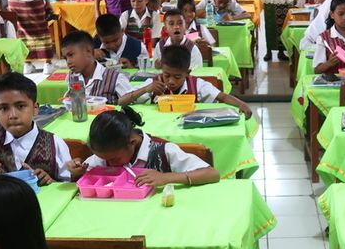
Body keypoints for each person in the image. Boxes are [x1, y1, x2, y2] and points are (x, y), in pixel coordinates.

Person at [0, 73, 73, 185]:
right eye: (4, 108)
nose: (13, 115)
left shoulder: (54, 143)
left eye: (21, 106)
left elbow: (69, 186)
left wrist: (51, 181)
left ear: (35, 108)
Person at [68, 108, 220, 187]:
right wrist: (77, 173)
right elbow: (83, 181)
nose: (109, 163)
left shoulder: (163, 151)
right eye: (103, 159)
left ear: (132, 142)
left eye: (114, 159)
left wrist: (166, 178)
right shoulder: (105, 154)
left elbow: (212, 174)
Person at [121, 45, 253, 119]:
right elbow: (121, 101)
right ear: (161, 70)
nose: (171, 81)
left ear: (187, 73)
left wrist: (242, 105)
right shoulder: (155, 83)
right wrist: (146, 89)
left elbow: (222, 96)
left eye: (177, 77)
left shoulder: (196, 85)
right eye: (167, 75)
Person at [60, 31, 133, 103]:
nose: (68, 61)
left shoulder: (115, 78)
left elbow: (133, 102)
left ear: (88, 51)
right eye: (65, 58)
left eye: (71, 55)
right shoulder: (71, 76)